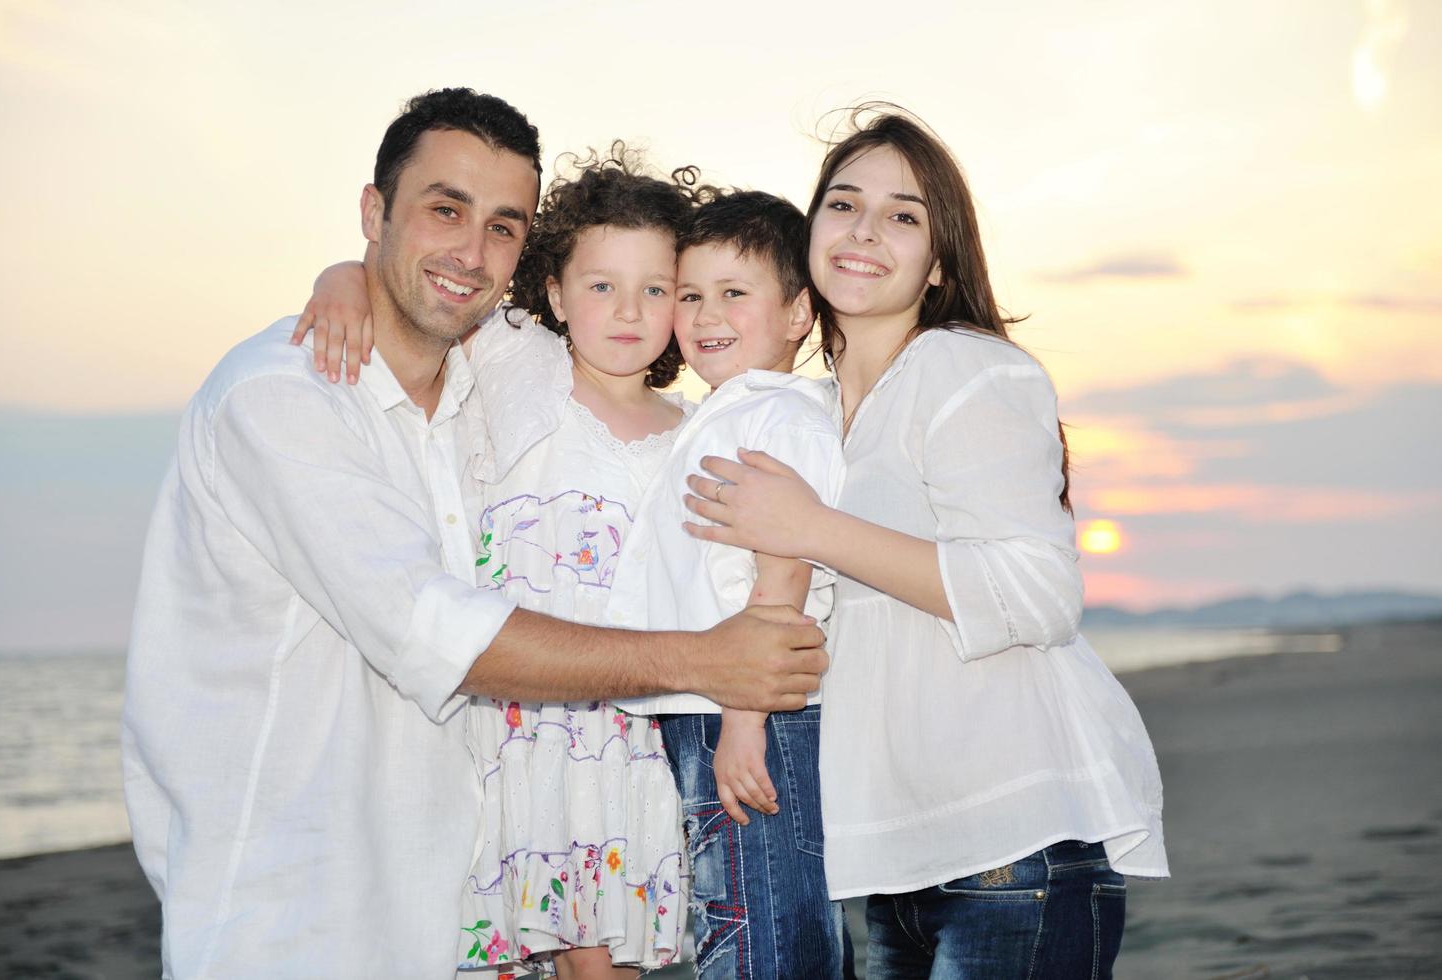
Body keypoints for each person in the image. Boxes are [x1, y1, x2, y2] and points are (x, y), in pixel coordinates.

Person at [121, 87, 826, 980]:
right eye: (443, 209)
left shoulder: (469, 405)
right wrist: (703, 660)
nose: (471, 249)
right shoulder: (286, 395)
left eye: (502, 225)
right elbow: (432, 628)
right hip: (295, 919)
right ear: (374, 211)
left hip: (446, 897)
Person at [682, 108, 1168, 979]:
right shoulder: (815, 416)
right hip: (895, 868)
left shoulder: (966, 369)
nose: (866, 230)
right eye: (843, 204)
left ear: (938, 260)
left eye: (904, 215)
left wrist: (812, 527)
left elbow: (1038, 594)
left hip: (1014, 845)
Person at [457, 150, 698, 977]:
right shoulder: (521, 368)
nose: (628, 310)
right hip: (533, 725)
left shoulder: (698, 429)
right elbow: (414, 293)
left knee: (614, 962)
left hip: (646, 737)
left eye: (656, 288)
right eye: (601, 286)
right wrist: (341, 278)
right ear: (554, 294)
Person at [608, 190, 846, 979]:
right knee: (736, 908)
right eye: (690, 295)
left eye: (734, 293)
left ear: (798, 314)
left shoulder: (779, 417)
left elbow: (786, 565)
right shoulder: (725, 410)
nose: (706, 313)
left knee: (762, 922)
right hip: (721, 705)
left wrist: (744, 716)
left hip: (756, 711)